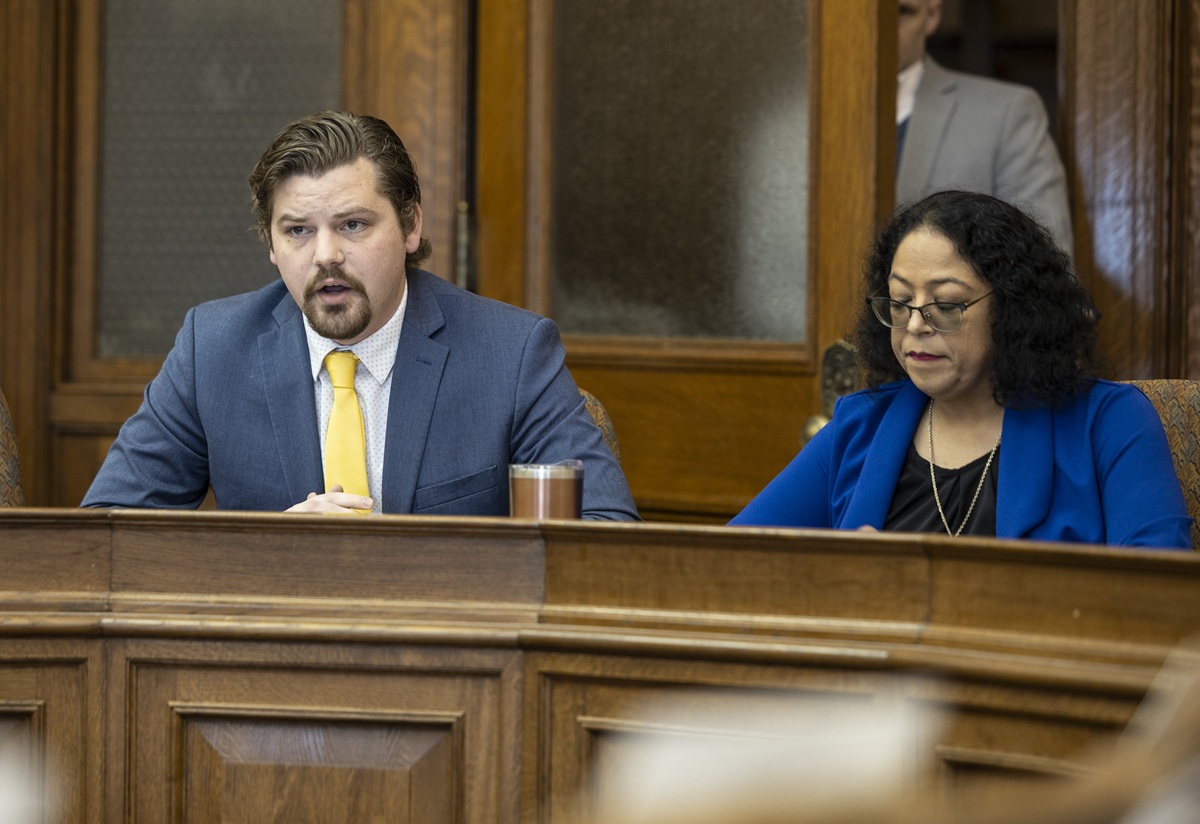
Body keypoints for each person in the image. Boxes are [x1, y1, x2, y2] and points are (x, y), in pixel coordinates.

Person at [83, 111, 639, 520]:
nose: (325, 254)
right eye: (298, 230)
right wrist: (265, 552)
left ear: (411, 226)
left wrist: (407, 569)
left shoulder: (511, 353)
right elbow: (107, 530)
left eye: (353, 225)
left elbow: (604, 534)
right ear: (271, 244)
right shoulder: (212, 349)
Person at [730, 191, 1191, 549]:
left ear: (1012, 308)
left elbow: (1157, 596)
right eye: (900, 301)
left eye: (946, 304)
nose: (915, 325)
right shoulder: (860, 425)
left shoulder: (1110, 421)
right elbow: (736, 558)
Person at [895, 0, 1074, 258]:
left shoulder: (1005, 113)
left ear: (932, 14)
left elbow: (1045, 261)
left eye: (902, 11)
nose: (883, 29)